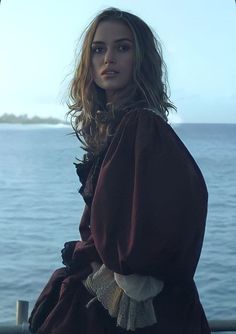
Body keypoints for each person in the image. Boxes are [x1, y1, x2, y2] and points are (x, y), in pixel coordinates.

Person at [29, 7, 210, 334]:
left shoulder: (142, 125)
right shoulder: (119, 126)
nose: (108, 58)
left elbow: (182, 206)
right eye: (99, 49)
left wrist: (120, 268)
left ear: (140, 59)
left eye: (122, 48)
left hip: (133, 304)